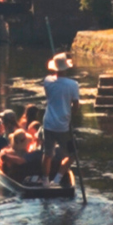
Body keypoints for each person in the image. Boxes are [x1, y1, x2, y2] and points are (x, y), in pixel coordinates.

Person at [41, 52, 80, 185]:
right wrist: (72, 114)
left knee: (48, 154)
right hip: (63, 125)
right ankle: (57, 179)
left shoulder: (47, 81)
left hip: (48, 123)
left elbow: (50, 97)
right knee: (73, 154)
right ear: (66, 68)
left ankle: (45, 180)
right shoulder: (73, 84)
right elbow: (76, 105)